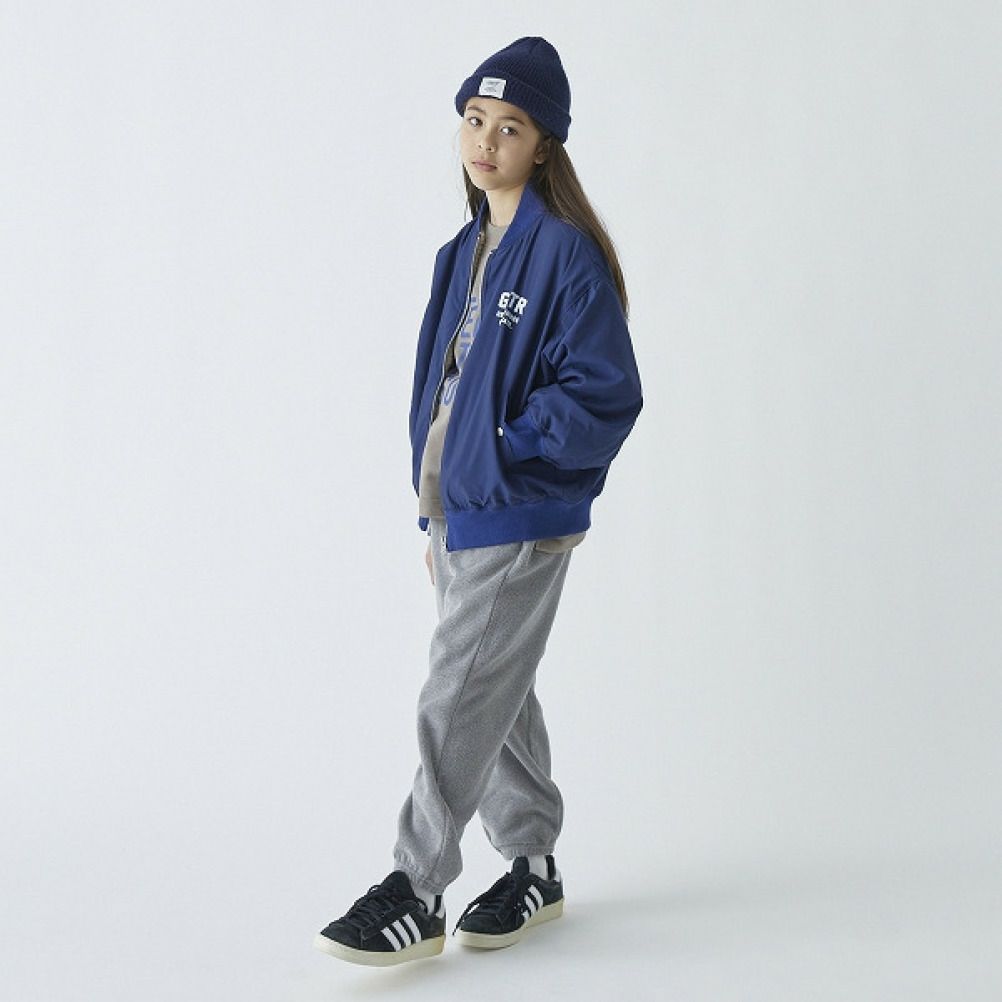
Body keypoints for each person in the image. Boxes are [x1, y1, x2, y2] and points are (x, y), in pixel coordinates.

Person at [314, 35, 643, 967]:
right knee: (496, 688)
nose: (486, 141)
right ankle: (533, 866)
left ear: (544, 145)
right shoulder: (462, 251)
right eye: (474, 119)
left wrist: (508, 446)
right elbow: (444, 389)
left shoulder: (564, 254)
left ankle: (415, 888)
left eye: (510, 127)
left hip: (518, 510)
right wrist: (439, 509)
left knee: (456, 695)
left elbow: (606, 392)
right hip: (462, 509)